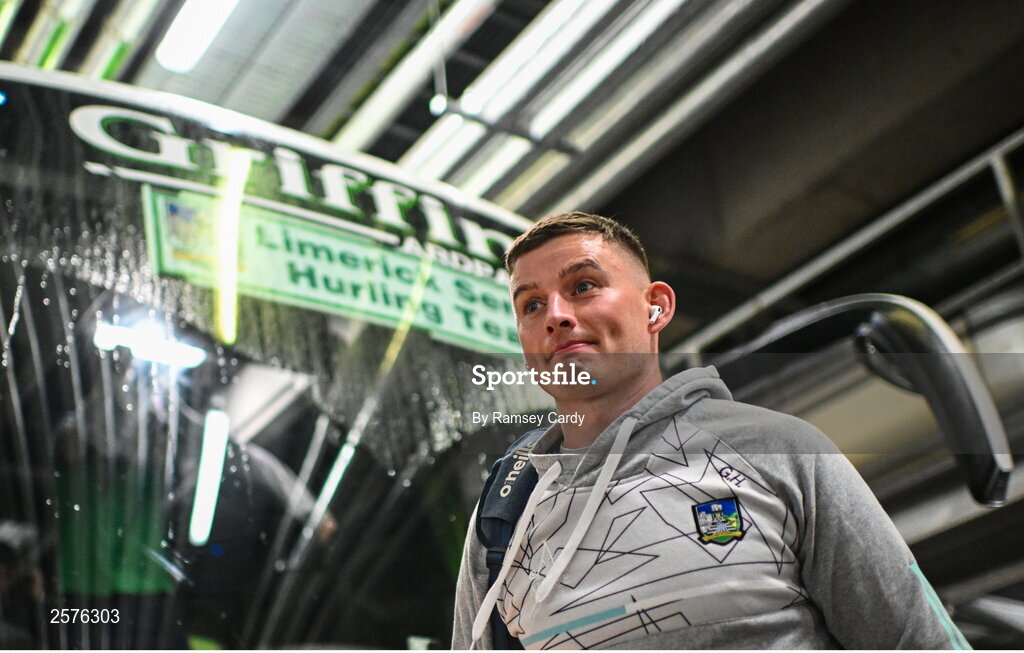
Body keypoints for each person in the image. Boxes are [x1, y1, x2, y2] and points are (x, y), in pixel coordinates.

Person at [452, 212, 969, 649]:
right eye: (531, 305)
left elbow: (915, 638)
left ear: (657, 306)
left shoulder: (780, 452)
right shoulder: (504, 515)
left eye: (583, 286)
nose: (556, 316)